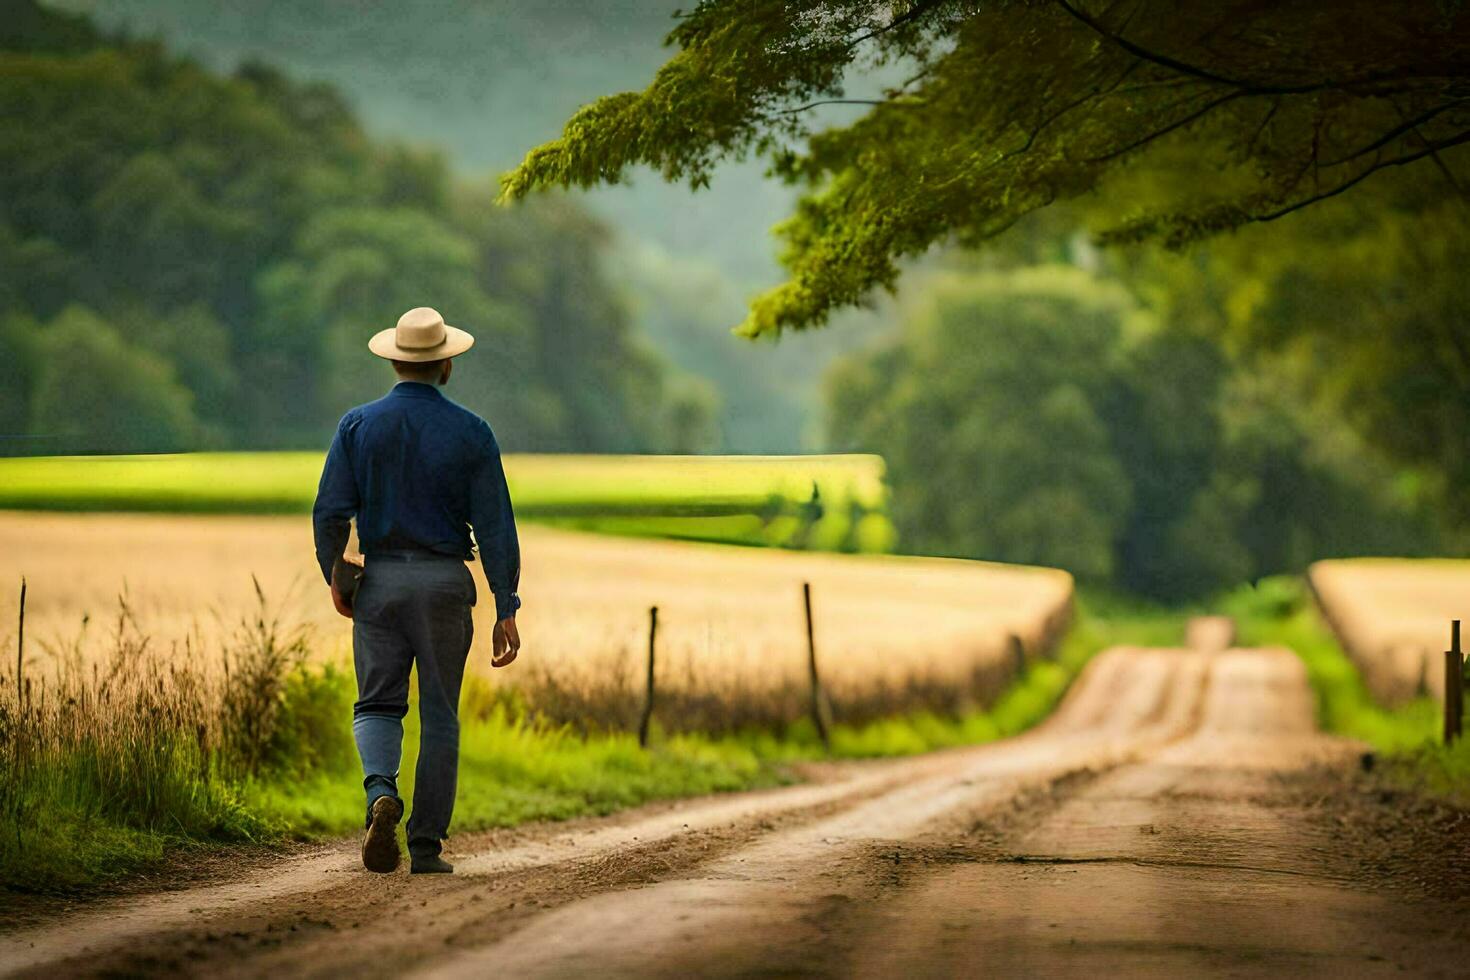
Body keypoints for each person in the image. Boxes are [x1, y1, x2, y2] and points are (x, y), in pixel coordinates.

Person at [312, 306, 522, 875]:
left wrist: (338, 575)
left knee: (378, 701)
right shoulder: (473, 432)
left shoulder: (357, 426)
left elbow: (330, 511)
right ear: (446, 363)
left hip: (378, 583)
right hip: (444, 585)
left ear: (396, 360)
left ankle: (381, 791)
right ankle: (426, 847)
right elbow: (496, 525)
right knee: (440, 715)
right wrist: (506, 604)